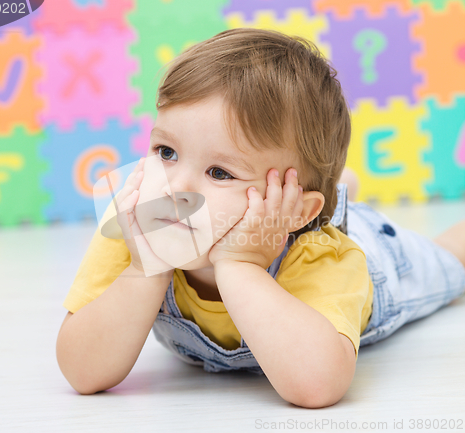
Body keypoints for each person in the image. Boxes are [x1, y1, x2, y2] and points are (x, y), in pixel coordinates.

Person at [55, 28, 465, 408]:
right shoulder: (138, 224)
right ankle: (338, 191)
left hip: (376, 255)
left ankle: (335, 203)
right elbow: (82, 371)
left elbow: (318, 385)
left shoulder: (323, 258)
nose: (172, 187)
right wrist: (146, 269)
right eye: (166, 152)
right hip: (302, 207)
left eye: (220, 173)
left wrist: (240, 266)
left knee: (450, 257)